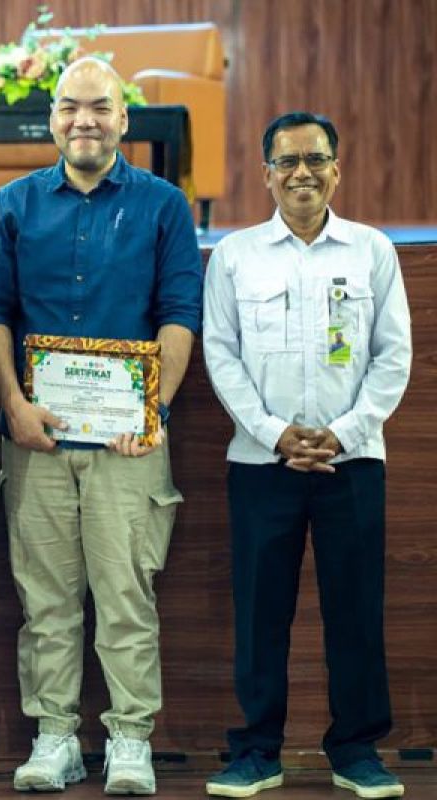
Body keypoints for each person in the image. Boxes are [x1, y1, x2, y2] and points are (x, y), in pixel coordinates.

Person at [0, 57, 202, 795]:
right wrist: (12, 404)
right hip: (36, 440)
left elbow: (179, 315)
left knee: (126, 598)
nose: (85, 121)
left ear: (124, 118)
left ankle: (130, 739)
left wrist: (153, 409)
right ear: (52, 118)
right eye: (71, 107)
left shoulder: (165, 206)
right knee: (44, 601)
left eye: (100, 108)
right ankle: (56, 737)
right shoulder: (14, 203)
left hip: (126, 445)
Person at [202, 112, 410, 799]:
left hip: (352, 463)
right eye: (287, 161)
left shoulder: (371, 250)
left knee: (356, 607)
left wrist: (344, 433)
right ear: (266, 173)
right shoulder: (235, 256)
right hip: (263, 464)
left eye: (315, 159)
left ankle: (356, 749)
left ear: (337, 168)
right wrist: (274, 432)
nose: (302, 172)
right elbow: (221, 354)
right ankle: (258, 750)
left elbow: (393, 355)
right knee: (262, 611)